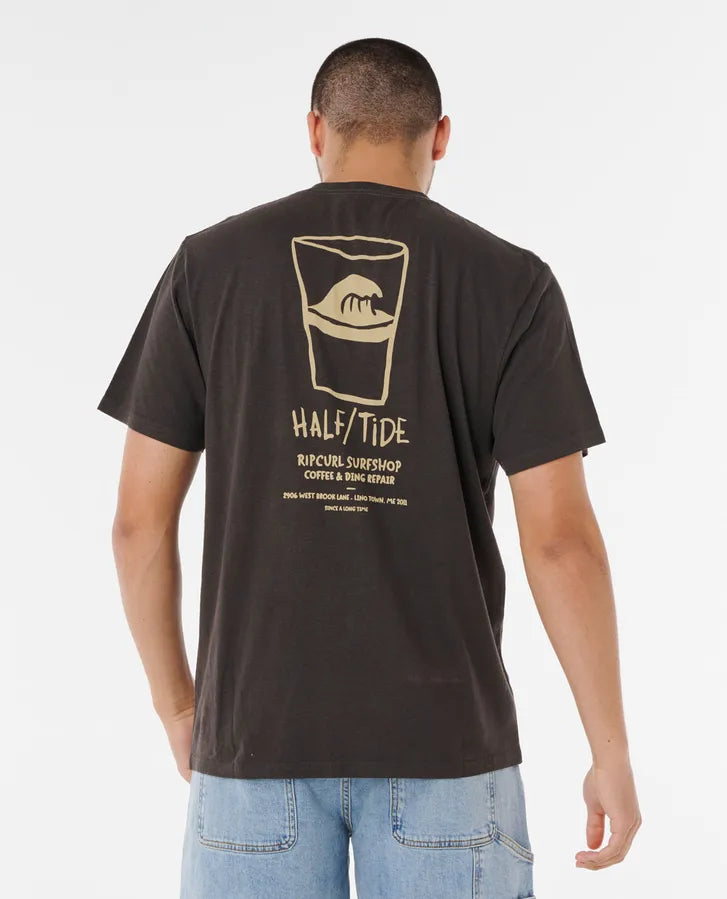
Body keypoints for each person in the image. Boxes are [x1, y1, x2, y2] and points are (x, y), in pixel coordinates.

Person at [97, 36, 641, 899]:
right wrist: (608, 750)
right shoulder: (510, 284)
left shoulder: (210, 267)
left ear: (316, 130)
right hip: (446, 749)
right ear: (440, 137)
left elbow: (137, 525)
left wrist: (181, 709)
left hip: (254, 745)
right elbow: (561, 542)